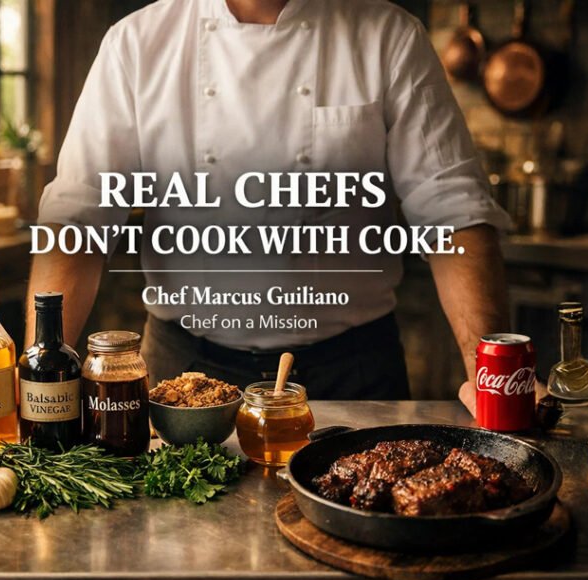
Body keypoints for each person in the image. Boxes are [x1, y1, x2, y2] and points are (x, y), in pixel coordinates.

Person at [27, 0, 511, 412]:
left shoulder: (388, 36)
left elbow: (454, 212)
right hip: (182, 377)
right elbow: (78, 220)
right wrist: (35, 385)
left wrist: (495, 381)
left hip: (352, 375)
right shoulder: (136, 44)